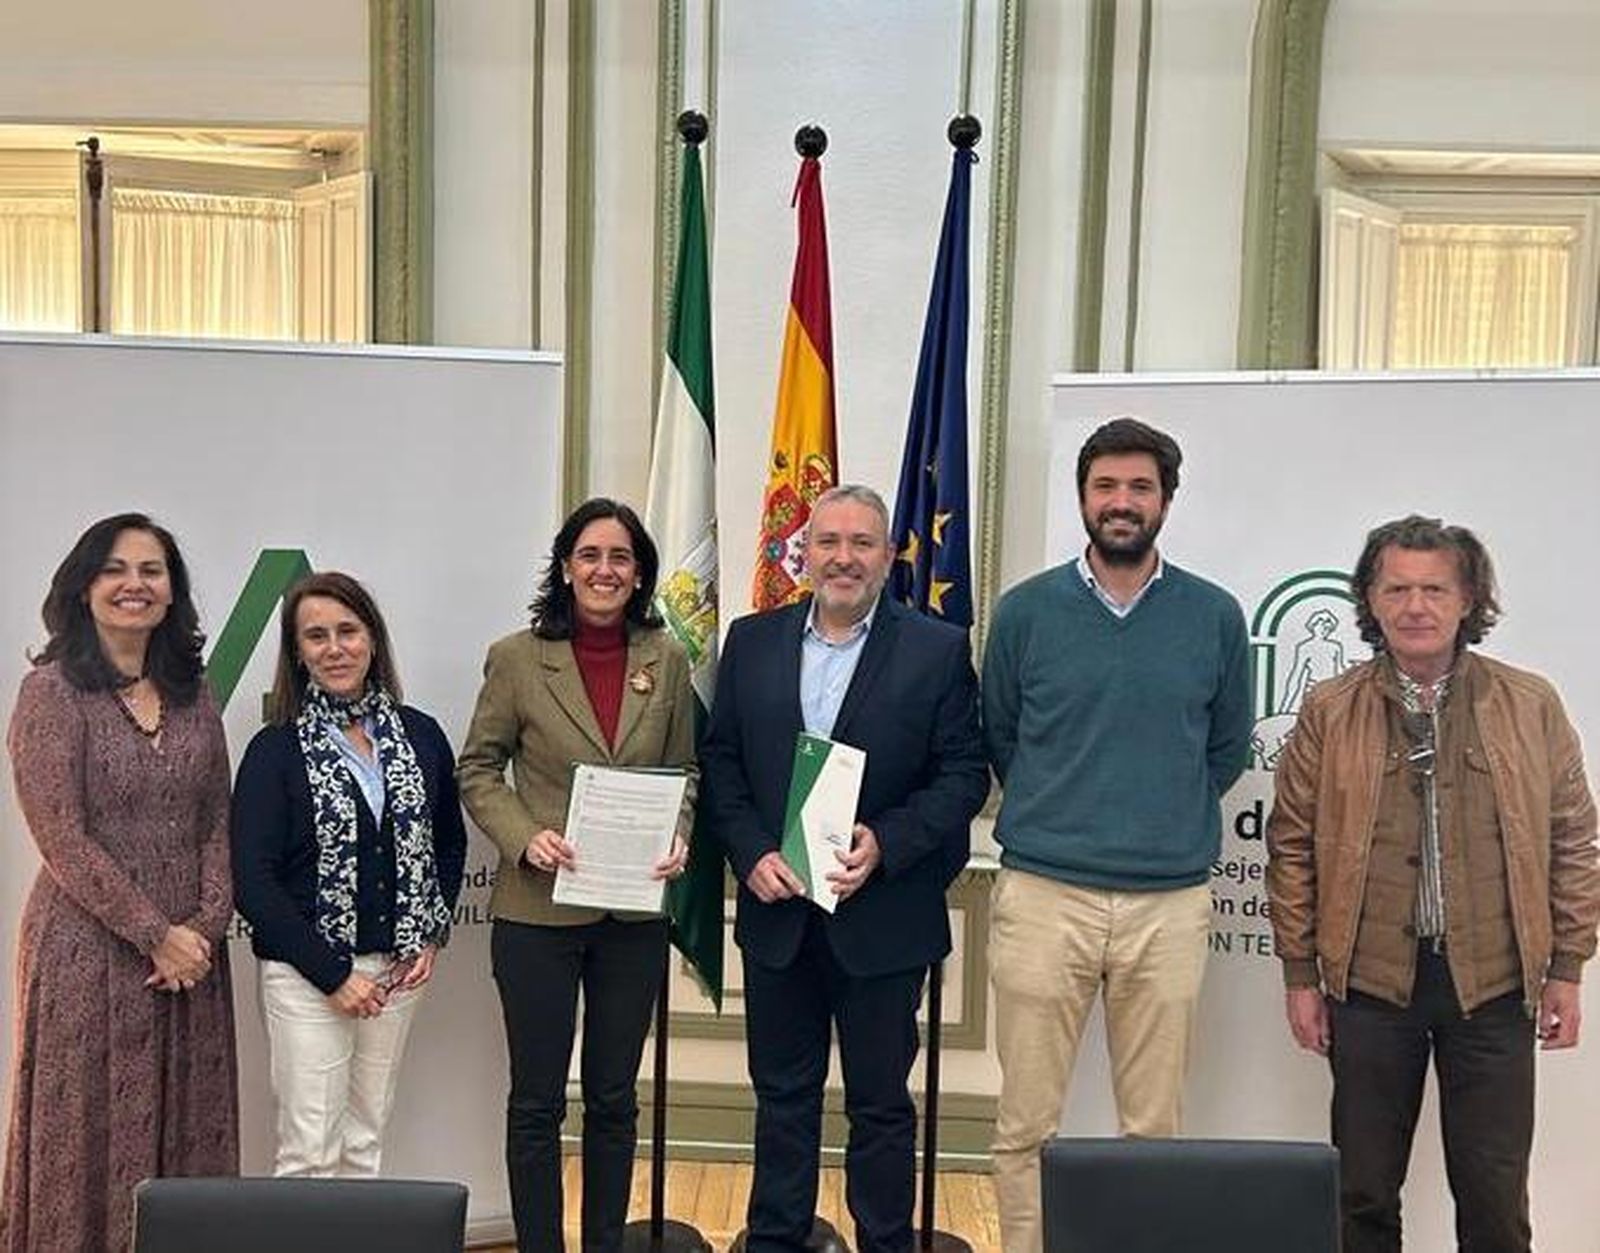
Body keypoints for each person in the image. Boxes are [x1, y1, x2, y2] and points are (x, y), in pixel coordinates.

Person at [1266, 515, 1600, 1253]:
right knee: (1361, 1194)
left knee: (1494, 1197)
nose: (1416, 605)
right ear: (1372, 600)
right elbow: (1291, 845)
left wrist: (1567, 968)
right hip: (1369, 987)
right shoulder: (1328, 709)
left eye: (1434, 589)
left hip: (1495, 986)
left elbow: (1573, 838)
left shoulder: (1530, 703)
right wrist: (1300, 972)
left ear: (1467, 599)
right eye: (1398, 589)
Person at [982, 418, 1251, 1253]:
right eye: (1106, 487)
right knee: (1027, 1120)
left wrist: (1157, 814)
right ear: (1083, 499)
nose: (1122, 502)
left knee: (1153, 1124)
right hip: (1043, 893)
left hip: (1167, 902)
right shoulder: (1025, 612)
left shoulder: (1213, 615)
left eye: (1140, 487)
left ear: (1167, 499)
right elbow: (1002, 735)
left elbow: (1226, 745)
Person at [701, 484, 989, 1253]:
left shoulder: (936, 648)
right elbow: (721, 762)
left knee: (881, 1105)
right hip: (779, 911)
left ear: (888, 553)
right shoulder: (752, 640)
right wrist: (751, 849)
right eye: (828, 541)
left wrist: (886, 843)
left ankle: (886, 1241)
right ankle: (775, 1239)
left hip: (884, 918)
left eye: (862, 542)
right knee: (782, 1098)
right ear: (804, 552)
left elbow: (964, 775)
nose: (844, 557)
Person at [457, 497, 695, 1253]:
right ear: (565, 567)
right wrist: (526, 837)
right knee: (535, 1102)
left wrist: (679, 832)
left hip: (632, 912)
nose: (604, 570)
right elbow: (478, 767)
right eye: (590, 555)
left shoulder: (669, 656)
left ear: (639, 574)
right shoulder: (517, 657)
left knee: (614, 1099)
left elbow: (685, 769)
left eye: (620, 557)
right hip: (538, 912)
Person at [2, 512, 237, 1253]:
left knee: (191, 1131)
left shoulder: (197, 696)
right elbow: (61, 837)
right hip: (87, 954)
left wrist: (201, 929)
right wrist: (155, 934)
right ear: (83, 586)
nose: (134, 584)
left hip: (192, 963)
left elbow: (216, 823)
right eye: (114, 569)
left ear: (173, 592)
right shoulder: (50, 693)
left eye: (151, 570)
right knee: (86, 1135)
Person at [230, 571, 466, 1177]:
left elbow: (448, 844)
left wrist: (430, 934)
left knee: (365, 1142)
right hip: (306, 978)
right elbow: (255, 883)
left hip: (396, 974)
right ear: (297, 652)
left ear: (372, 639)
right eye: (316, 636)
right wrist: (334, 973)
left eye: (347, 631)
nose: (334, 648)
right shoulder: (274, 750)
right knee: (310, 1151)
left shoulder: (422, 735)